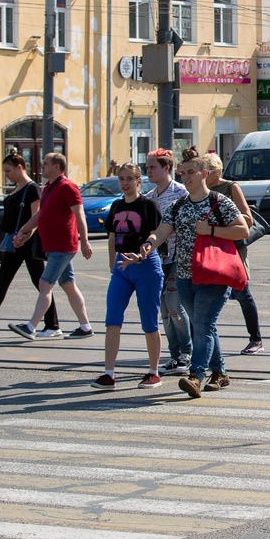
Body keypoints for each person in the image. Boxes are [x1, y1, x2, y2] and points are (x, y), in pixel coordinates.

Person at [126, 154, 248, 398]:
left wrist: (210, 229)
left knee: (202, 325)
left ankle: (196, 376)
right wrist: (146, 247)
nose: (186, 176)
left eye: (191, 172)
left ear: (204, 174)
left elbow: (243, 229)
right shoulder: (178, 205)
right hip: (185, 276)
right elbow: (161, 232)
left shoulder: (220, 201)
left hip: (214, 275)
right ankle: (220, 373)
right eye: (184, 172)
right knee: (204, 326)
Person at [0, 153, 63, 338]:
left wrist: (25, 236)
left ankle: (53, 325)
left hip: (26, 243)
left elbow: (37, 217)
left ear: (19, 167)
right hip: (15, 242)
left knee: (41, 284)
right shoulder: (18, 188)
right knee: (5, 282)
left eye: (8, 170)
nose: (6, 175)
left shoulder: (32, 188)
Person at [92, 164, 165, 389]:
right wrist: (112, 264)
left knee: (149, 321)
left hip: (146, 266)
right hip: (122, 269)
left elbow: (156, 233)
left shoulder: (148, 205)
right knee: (112, 319)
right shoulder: (116, 205)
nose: (125, 183)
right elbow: (112, 236)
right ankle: (108, 374)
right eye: (121, 179)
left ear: (138, 181)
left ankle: (153, 372)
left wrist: (143, 251)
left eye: (129, 179)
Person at [8, 153, 95, 340]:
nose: (41, 166)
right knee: (68, 285)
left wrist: (85, 241)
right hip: (53, 245)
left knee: (45, 284)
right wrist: (23, 231)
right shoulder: (48, 188)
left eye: (45, 163)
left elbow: (80, 215)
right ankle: (85, 326)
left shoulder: (67, 187)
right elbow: (39, 216)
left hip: (63, 246)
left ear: (57, 167)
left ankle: (31, 327)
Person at [206, 153, 264, 356]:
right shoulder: (199, 190)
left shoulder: (230, 187)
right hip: (209, 248)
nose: (204, 175)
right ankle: (203, 340)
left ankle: (256, 339)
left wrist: (222, 223)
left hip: (232, 248)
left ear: (218, 171)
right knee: (206, 295)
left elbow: (247, 218)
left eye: (208, 171)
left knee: (242, 293)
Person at [145, 148, 191, 374]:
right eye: (146, 167)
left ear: (167, 168)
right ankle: (174, 356)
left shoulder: (181, 193)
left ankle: (186, 352)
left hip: (179, 258)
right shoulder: (150, 197)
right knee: (162, 310)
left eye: (152, 167)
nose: (148, 171)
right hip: (158, 259)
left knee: (174, 306)